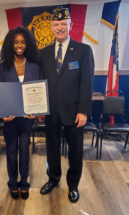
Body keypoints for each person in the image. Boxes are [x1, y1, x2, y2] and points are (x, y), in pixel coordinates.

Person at [38, 8, 94, 203]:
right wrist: (40, 109)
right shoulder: (43, 52)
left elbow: (87, 83)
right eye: (56, 24)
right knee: (52, 148)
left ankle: (73, 185)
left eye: (63, 24)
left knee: (75, 150)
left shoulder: (83, 50)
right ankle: (53, 179)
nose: (59, 27)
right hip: (51, 112)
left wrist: (83, 111)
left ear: (71, 25)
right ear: (51, 28)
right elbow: (41, 82)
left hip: (74, 113)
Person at [0, 26, 39, 200]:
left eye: (23, 42)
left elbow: (38, 92)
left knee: (24, 149)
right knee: (10, 149)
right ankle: (12, 183)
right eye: (16, 42)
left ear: (28, 44)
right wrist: (1, 114)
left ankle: (24, 183)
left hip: (27, 118)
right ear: (10, 45)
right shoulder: (3, 67)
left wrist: (36, 111)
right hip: (9, 117)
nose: (19, 45)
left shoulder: (35, 66)